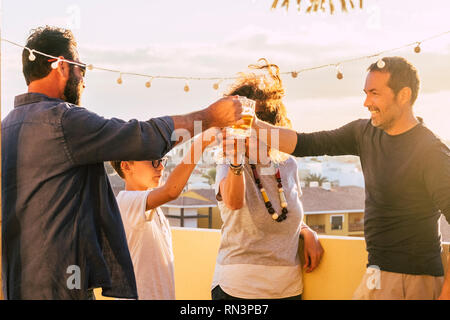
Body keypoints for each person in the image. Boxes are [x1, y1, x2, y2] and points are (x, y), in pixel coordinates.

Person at [1, 26, 242, 300]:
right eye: (82, 68)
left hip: (18, 285)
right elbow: (141, 136)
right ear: (61, 66)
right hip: (61, 286)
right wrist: (208, 116)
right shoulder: (63, 120)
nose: (83, 79)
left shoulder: (6, 128)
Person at [250, 56, 450, 300]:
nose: (366, 102)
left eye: (374, 93)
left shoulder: (431, 152)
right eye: (365, 93)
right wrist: (250, 125)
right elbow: (305, 144)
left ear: (404, 95)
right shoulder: (364, 133)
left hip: (414, 280)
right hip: (377, 272)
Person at [211, 60, 324, 300]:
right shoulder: (228, 163)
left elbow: (285, 214)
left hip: (288, 289)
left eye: (251, 117)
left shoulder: (288, 165)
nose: (242, 125)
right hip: (238, 290)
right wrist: (235, 160)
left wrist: (307, 232)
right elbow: (232, 202)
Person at [110, 130, 218, 300]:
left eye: (161, 161)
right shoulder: (125, 202)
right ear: (126, 166)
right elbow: (171, 191)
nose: (160, 167)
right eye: (153, 161)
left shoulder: (152, 209)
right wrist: (199, 145)